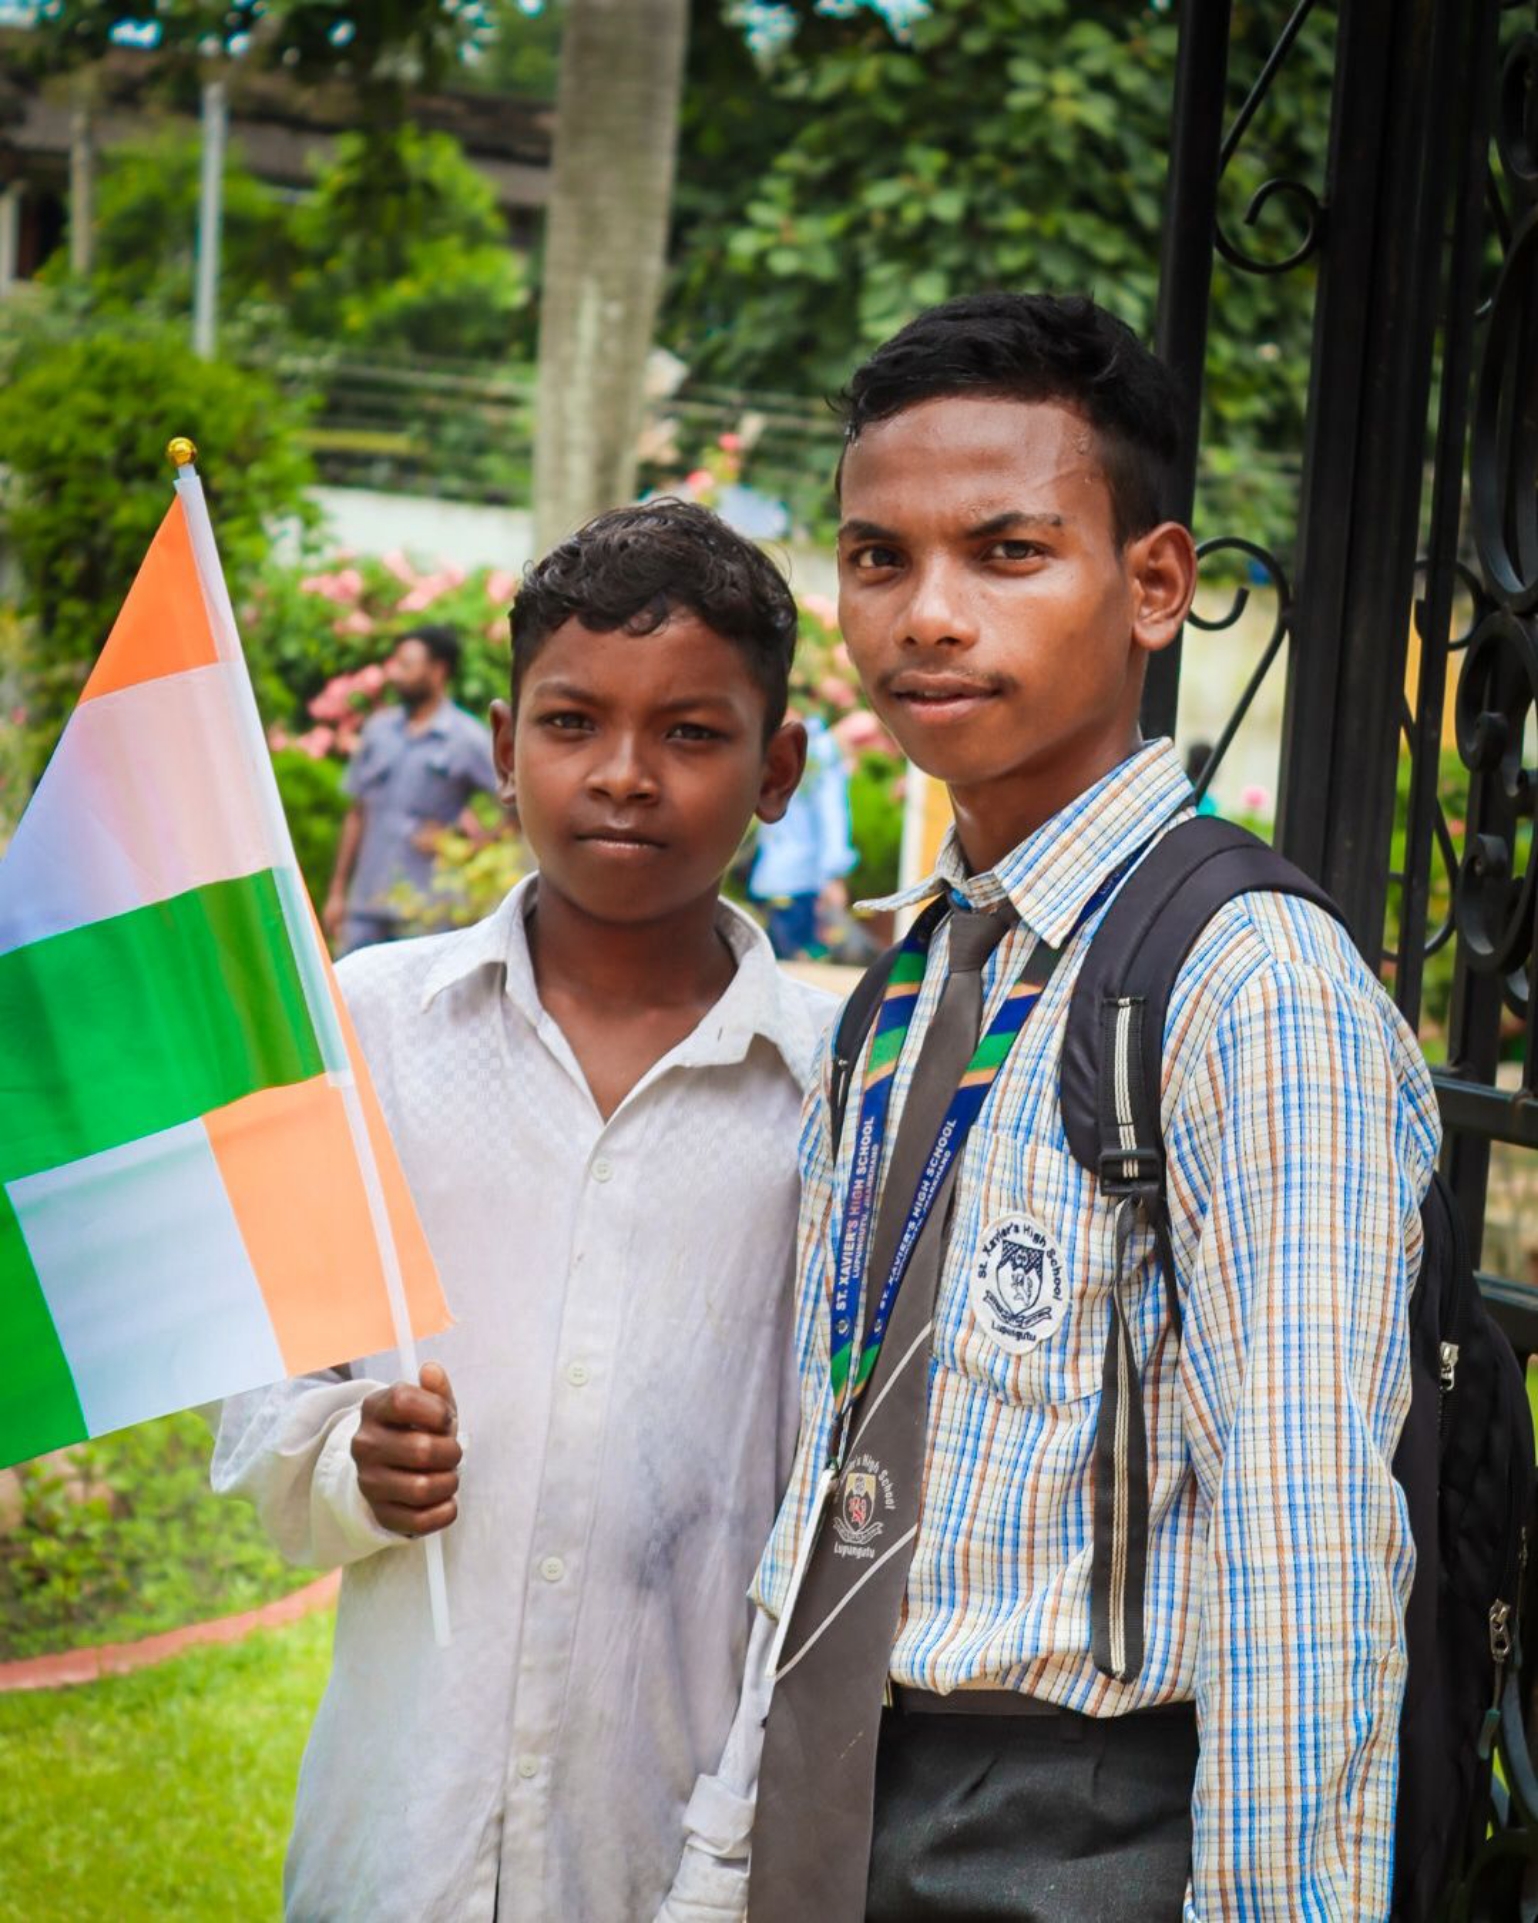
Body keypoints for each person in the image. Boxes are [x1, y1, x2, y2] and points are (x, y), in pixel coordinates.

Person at [661, 293, 1439, 1921]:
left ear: (1151, 583)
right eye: (878, 558)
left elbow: (1303, 1538)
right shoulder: (907, 976)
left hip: (1080, 1828)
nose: (924, 615)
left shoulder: (1241, 982)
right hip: (849, 1778)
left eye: (1003, 551)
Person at [214, 500, 835, 1921]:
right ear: (502, 746)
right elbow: (262, 1417)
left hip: (680, 1847)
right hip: (400, 1844)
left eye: (691, 732)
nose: (624, 775)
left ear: (777, 765)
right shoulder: (363, 1037)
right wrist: (346, 1469)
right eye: (571, 723)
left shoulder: (837, 1096)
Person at [323, 624, 501, 956]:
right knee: (348, 1002)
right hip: (366, 904)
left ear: (438, 671)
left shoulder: (467, 738)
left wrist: (468, 845)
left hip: (426, 912)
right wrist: (337, 892)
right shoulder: (378, 730)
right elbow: (356, 813)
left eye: (407, 665)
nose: (396, 674)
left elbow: (517, 803)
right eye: (395, 664)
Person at [747, 706, 857, 959]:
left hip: (798, 881)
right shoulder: (770, 745)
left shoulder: (819, 751)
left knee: (793, 968)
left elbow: (832, 815)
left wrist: (833, 872)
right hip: (777, 880)